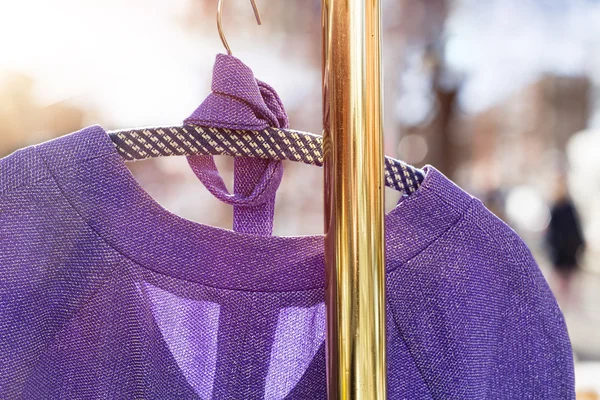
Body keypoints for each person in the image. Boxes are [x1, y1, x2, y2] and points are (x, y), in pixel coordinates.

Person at [545, 175, 585, 304]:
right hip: (558, 251)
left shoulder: (569, 207)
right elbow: (550, 232)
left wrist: (579, 245)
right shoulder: (554, 208)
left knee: (570, 280)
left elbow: (576, 228)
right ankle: (560, 304)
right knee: (559, 281)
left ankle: (568, 303)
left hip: (569, 250)